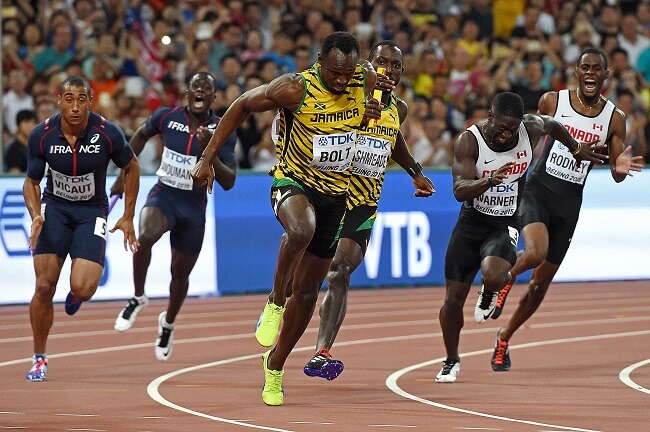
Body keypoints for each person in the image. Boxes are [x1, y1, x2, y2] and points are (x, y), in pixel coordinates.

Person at [191, 32, 383, 406]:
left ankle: (274, 365)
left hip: (337, 195)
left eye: (348, 73)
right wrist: (206, 158)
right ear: (320, 61)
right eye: (334, 73)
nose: (342, 80)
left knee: (309, 293)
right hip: (292, 181)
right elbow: (240, 106)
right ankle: (276, 300)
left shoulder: (366, 78)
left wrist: (370, 110)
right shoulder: (295, 88)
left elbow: (372, 100)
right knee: (300, 230)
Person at [487, 49, 644, 372]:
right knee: (534, 253)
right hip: (538, 190)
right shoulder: (551, 102)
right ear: (575, 71)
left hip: (569, 205)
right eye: (584, 67)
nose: (590, 73)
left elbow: (615, 171)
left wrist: (621, 166)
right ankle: (502, 280)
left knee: (539, 285)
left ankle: (504, 337)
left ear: (605, 76)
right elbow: (526, 137)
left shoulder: (615, 118)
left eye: (596, 69)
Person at [436, 91, 606, 383]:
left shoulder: (531, 129)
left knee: (494, 272)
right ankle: (451, 359)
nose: (506, 134)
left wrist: (575, 147)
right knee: (452, 301)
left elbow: (553, 124)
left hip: (504, 222)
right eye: (501, 127)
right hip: (471, 224)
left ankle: (490, 291)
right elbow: (459, 190)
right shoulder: (469, 140)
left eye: (512, 129)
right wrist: (488, 180)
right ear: (490, 117)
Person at [303, 40, 435, 381]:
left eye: (395, 65)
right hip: (329, 194)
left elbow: (392, 141)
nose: (388, 70)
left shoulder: (400, 109)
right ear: (366, 66)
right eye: (381, 63)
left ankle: (322, 351)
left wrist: (415, 171)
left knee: (340, 270)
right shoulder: (348, 97)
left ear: (402, 73)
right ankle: (278, 302)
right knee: (303, 280)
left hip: (363, 202)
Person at [111, 72, 237, 361]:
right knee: (144, 238)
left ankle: (167, 323)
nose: (200, 91)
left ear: (214, 98)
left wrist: (211, 151)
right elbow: (142, 134)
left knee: (179, 275)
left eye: (207, 88)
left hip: (193, 208)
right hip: (164, 196)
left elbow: (229, 181)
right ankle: (138, 296)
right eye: (196, 86)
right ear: (187, 93)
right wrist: (125, 171)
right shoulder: (167, 117)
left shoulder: (223, 129)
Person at [23, 75, 139, 382]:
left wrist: (127, 216)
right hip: (55, 209)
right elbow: (31, 182)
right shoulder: (42, 135)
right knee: (44, 286)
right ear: (59, 101)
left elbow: (132, 166)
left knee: (84, 288)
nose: (75, 107)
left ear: (90, 102)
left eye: (82, 100)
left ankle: (75, 295)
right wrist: (35, 214)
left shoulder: (107, 133)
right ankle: (39, 358)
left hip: (92, 211)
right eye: (69, 99)